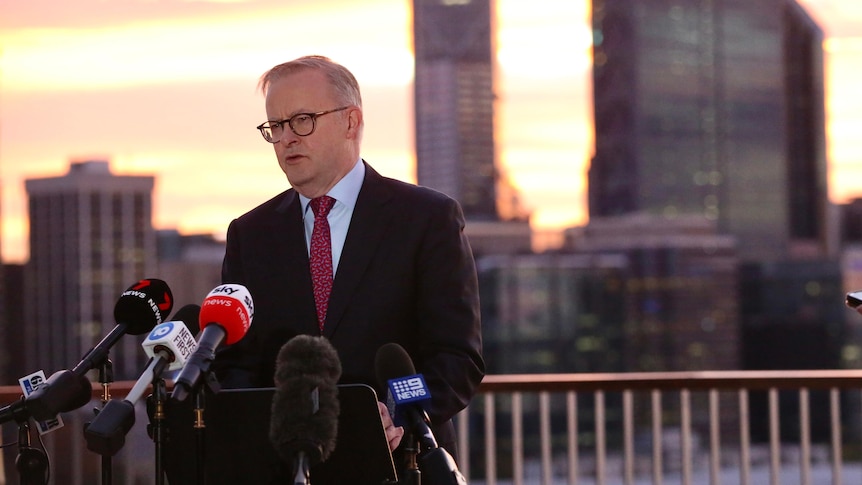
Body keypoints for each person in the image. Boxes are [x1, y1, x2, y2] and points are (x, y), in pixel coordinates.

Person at [213, 55, 484, 469]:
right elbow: (237, 366)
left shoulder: (426, 218)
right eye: (277, 126)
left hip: (401, 461)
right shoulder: (250, 233)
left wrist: (398, 413)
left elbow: (454, 357)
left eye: (302, 119)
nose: (287, 138)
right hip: (288, 466)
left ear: (351, 122)